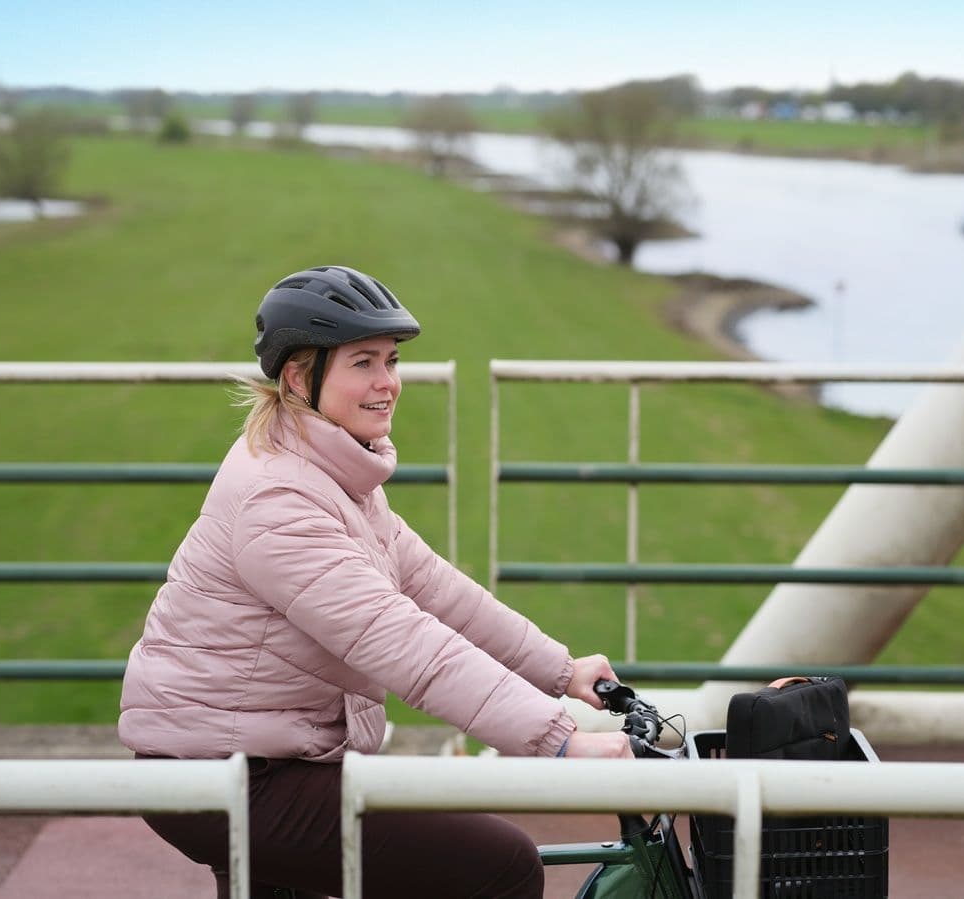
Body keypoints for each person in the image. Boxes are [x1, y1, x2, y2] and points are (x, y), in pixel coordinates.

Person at [119, 265, 631, 899]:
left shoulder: (328, 472)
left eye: (391, 361)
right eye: (363, 363)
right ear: (298, 377)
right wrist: (558, 741)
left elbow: (436, 590)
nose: (387, 382)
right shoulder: (278, 501)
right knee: (503, 867)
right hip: (226, 778)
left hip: (263, 759)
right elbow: (401, 641)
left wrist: (560, 669)